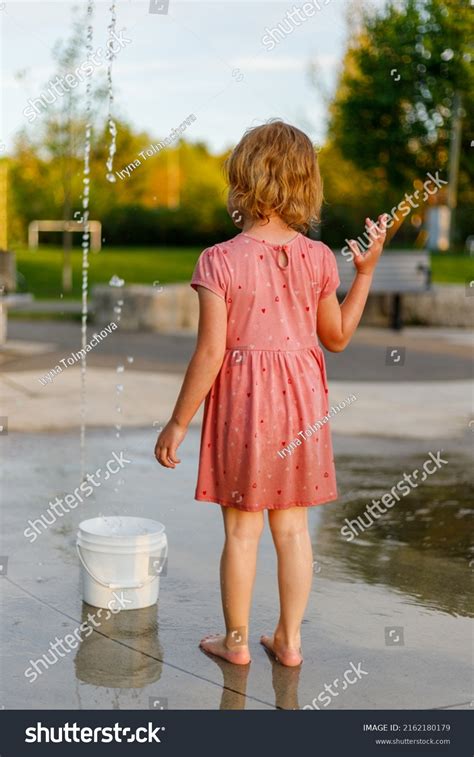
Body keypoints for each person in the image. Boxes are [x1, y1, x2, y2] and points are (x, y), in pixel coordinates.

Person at [154, 120, 387, 666]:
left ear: (243, 182)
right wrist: (366, 275)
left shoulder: (219, 259)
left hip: (243, 404)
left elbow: (210, 354)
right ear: (307, 186)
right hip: (302, 404)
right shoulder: (320, 258)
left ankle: (236, 644)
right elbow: (338, 338)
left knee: (240, 530)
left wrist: (178, 421)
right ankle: (289, 640)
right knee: (292, 527)